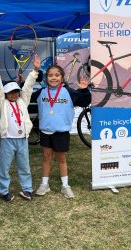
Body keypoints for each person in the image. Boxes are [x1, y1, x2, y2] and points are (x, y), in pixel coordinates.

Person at [31, 65, 91, 198]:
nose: (53, 78)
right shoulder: (41, 92)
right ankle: (44, 184)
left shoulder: (68, 91)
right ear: (46, 78)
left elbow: (84, 101)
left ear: (62, 78)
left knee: (61, 159)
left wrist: (84, 89)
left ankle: (65, 186)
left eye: (57, 75)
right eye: (50, 75)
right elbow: (25, 95)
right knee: (46, 157)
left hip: (61, 132)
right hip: (46, 131)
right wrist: (23, 82)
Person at [0, 55, 41, 202]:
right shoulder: (2, 104)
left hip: (22, 140)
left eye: (16, 91)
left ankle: (27, 189)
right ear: (6, 94)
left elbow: (28, 86)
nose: (14, 94)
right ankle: (4, 190)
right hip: (8, 140)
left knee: (25, 166)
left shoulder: (22, 101)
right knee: (4, 167)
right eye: (10, 92)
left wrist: (35, 70)